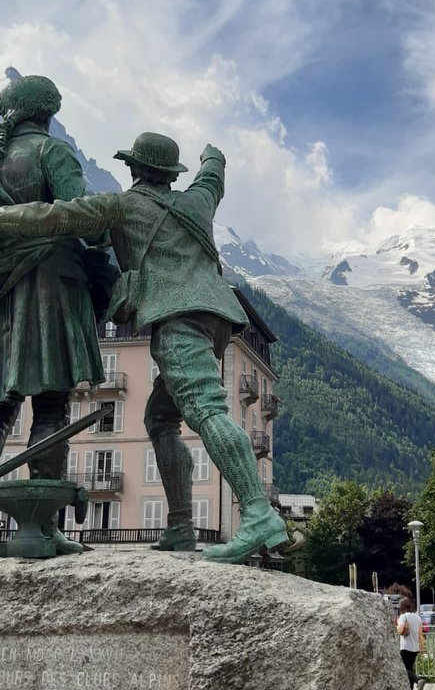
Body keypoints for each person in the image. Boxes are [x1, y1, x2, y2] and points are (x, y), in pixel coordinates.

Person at [0, 131, 288, 564]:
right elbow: (214, 176)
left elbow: (53, 216)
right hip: (218, 321)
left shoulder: (120, 205)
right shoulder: (196, 201)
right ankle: (179, 525)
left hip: (178, 316)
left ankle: (258, 514)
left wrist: (6, 217)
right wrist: (213, 155)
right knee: (159, 417)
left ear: (134, 168)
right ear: (171, 174)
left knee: (207, 409)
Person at [0, 75, 105, 554]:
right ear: (46, 112)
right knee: (50, 405)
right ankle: (44, 527)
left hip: (4, 291)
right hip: (51, 288)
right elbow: (84, 217)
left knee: (2, 406)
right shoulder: (53, 152)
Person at [396, 596, 426, 690]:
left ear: (402, 607)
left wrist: (397, 626)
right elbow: (420, 634)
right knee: (409, 669)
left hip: (405, 647)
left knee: (403, 669)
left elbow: (400, 630)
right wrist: (422, 647)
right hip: (415, 648)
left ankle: (418, 680)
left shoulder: (403, 617)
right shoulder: (417, 617)